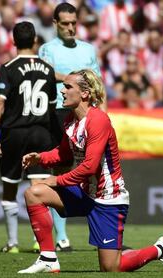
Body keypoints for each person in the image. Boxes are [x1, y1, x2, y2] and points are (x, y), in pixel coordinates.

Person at [18, 69, 163, 274]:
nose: (62, 91)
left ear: (85, 94)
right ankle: (48, 259)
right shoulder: (70, 120)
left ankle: (159, 249)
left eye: (68, 87)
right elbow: (64, 155)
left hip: (108, 198)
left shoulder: (98, 120)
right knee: (33, 194)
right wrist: (41, 157)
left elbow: (89, 167)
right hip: (85, 192)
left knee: (111, 268)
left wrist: (57, 180)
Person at [38, 2, 104, 252]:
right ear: (55, 23)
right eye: (64, 23)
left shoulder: (88, 49)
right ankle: (62, 236)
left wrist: (104, 114)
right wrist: (68, 78)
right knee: (63, 168)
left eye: (73, 23)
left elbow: (97, 82)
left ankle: (101, 232)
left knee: (95, 172)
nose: (70, 28)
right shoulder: (47, 49)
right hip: (60, 112)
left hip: (89, 114)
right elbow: (47, 74)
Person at [0, 21, 57, 253]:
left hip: (14, 133)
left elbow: (0, 100)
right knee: (39, 188)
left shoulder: (8, 67)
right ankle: (40, 241)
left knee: (10, 187)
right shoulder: (48, 69)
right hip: (40, 133)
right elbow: (52, 105)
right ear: (35, 41)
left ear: (14, 42)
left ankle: (13, 243)